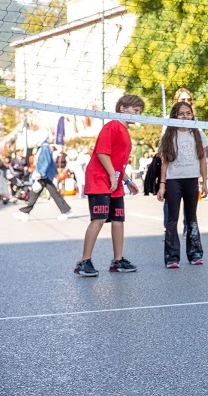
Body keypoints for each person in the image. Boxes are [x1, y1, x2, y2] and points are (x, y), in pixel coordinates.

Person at [74, 94, 144, 278]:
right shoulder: (112, 125)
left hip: (115, 181)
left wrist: (127, 181)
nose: (138, 115)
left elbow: (118, 162)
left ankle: (117, 260)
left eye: (140, 113)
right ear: (123, 108)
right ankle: (84, 262)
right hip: (99, 179)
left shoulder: (126, 131)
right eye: (135, 111)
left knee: (118, 220)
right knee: (98, 219)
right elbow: (102, 153)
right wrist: (112, 175)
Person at [157, 101, 208, 268]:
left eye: (188, 113)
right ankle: (172, 257)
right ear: (175, 116)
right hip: (173, 181)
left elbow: (202, 159)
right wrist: (162, 185)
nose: (185, 116)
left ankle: (195, 254)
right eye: (181, 113)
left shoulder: (197, 133)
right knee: (172, 219)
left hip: (192, 180)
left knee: (192, 218)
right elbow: (165, 162)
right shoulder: (170, 134)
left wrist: (204, 182)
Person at [13, 138, 73, 221]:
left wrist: (41, 173)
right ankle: (25, 212)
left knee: (40, 192)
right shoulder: (42, 147)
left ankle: (66, 211)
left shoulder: (44, 147)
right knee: (37, 192)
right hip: (44, 174)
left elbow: (46, 162)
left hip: (44, 175)